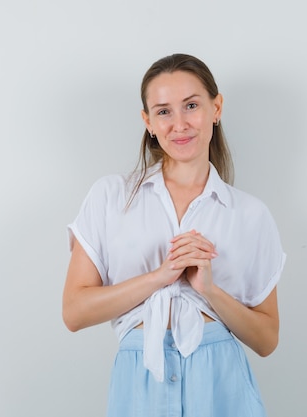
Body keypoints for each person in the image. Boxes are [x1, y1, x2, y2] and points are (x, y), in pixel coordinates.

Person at [63, 53, 286, 417]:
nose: (179, 124)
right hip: (140, 378)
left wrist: (209, 291)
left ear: (217, 108)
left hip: (220, 381)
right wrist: (158, 278)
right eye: (164, 111)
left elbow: (266, 340)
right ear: (147, 121)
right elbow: (73, 312)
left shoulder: (250, 214)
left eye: (192, 105)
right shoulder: (111, 196)